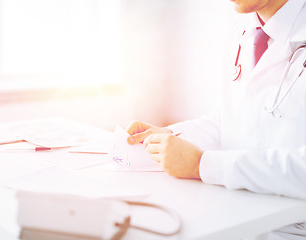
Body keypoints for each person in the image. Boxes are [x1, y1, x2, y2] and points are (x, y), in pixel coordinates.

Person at [126, 0, 306, 239]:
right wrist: (173, 137)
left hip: (292, 227)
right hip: (242, 209)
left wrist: (202, 164)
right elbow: (232, 118)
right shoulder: (242, 32)